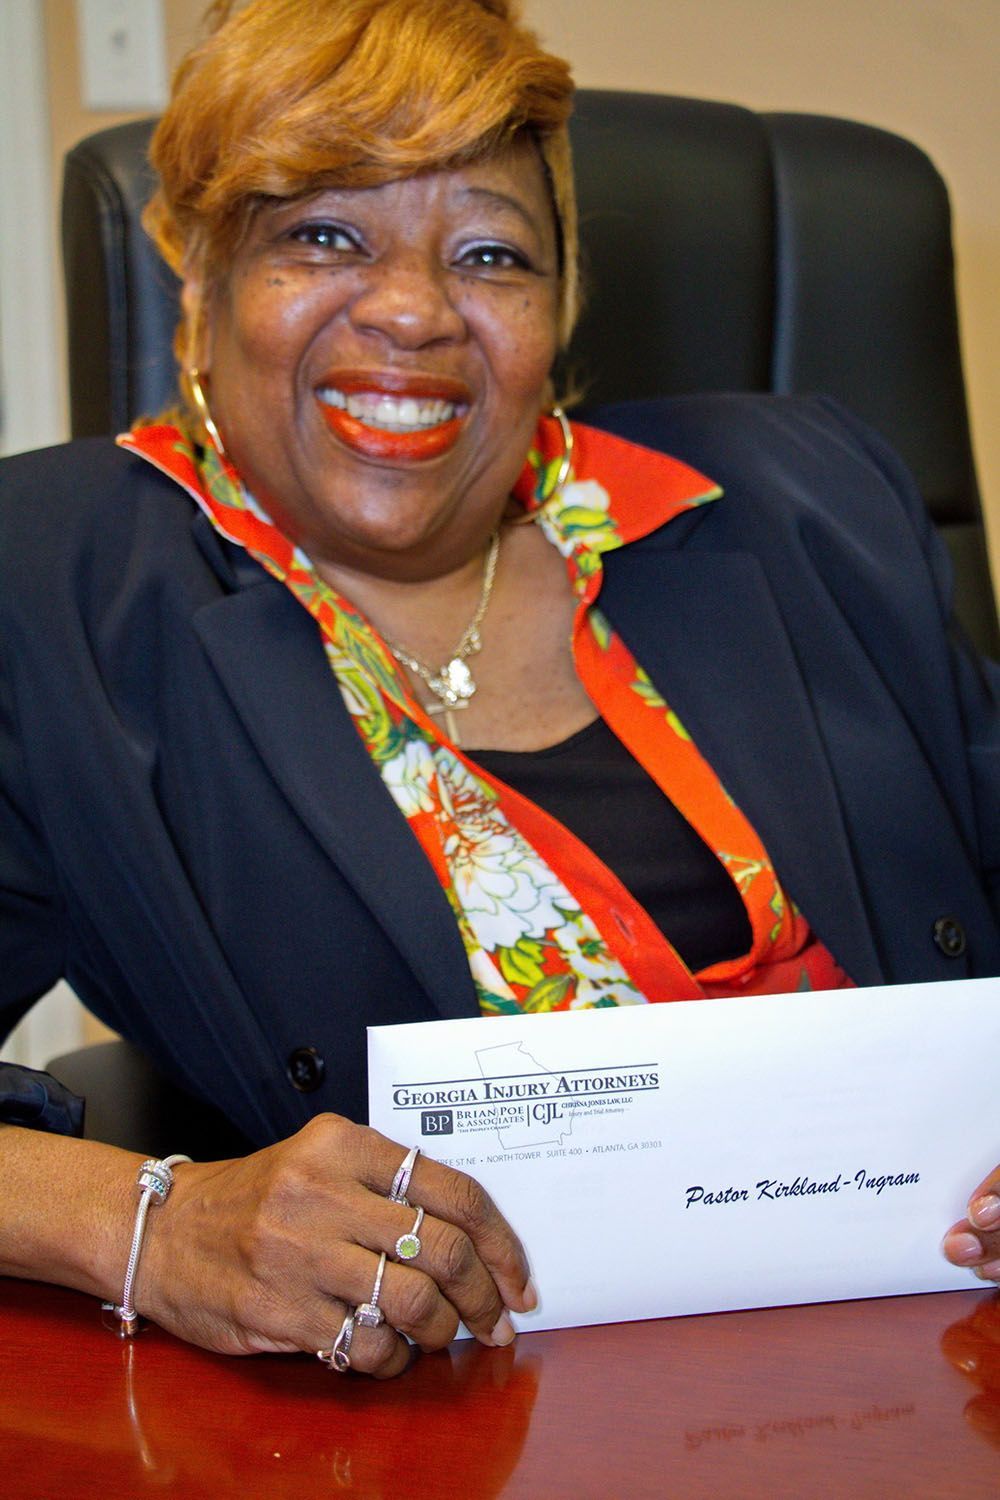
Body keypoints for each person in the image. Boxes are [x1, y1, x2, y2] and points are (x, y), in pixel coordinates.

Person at [0, 0, 998, 1378]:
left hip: (940, 1343)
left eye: (490, 253)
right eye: (323, 234)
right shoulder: (48, 591)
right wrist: (150, 1226)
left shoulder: (803, 496)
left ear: (559, 307)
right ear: (200, 276)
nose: (413, 309)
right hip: (463, 1410)